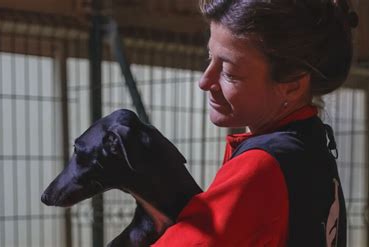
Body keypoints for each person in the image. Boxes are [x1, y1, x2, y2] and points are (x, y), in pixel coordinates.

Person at [152, 0, 358, 246]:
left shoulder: (261, 167)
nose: (205, 81)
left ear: (292, 85)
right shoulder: (313, 153)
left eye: (229, 73)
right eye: (209, 57)